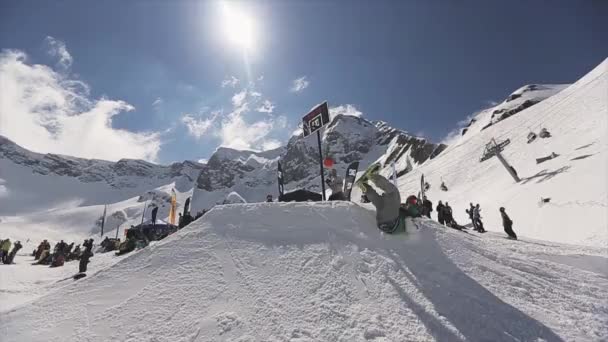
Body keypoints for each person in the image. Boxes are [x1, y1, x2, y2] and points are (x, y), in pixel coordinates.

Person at [356, 164, 404, 233]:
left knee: (394, 192)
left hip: (393, 220)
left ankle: (372, 176)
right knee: (379, 203)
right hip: (382, 223)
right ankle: (364, 186)